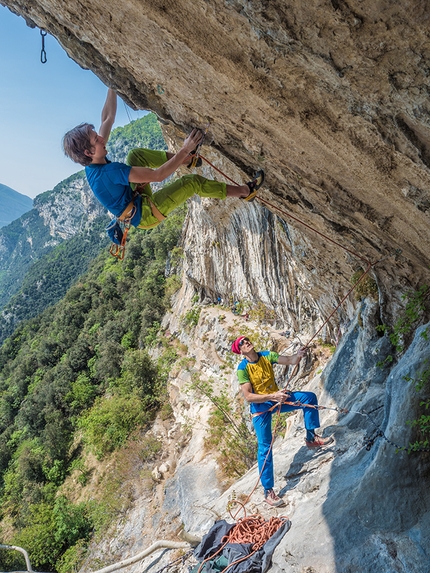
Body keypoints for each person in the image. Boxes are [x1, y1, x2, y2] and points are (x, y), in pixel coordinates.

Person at [62, 88, 264, 232]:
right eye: (95, 139)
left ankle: (189, 161)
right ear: (89, 152)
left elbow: (107, 118)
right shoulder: (109, 172)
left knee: (135, 155)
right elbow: (157, 176)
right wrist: (184, 149)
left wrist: (111, 84)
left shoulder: (93, 158)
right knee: (191, 183)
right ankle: (246, 191)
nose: (101, 137)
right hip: (145, 215)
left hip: (134, 198)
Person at [231, 335, 333, 507]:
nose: (246, 342)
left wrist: (298, 355)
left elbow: (290, 360)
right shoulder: (243, 368)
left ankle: (310, 438)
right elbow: (249, 396)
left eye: (247, 339)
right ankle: (268, 491)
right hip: (260, 407)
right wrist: (273, 396)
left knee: (309, 398)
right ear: (240, 351)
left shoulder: (266, 356)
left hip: (276, 398)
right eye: (242, 343)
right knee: (265, 446)